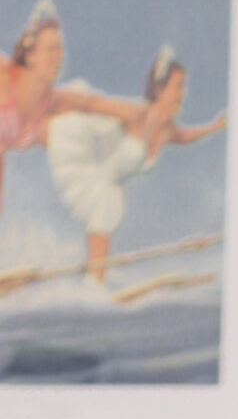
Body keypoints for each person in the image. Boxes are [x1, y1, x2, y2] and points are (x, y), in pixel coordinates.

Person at [45, 45, 226, 282]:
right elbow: (94, 104)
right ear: (159, 89)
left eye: (183, 86)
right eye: (177, 86)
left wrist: (214, 127)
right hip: (93, 176)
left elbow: (184, 137)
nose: (182, 93)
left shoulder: (168, 129)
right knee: (104, 212)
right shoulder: (138, 114)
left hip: (111, 185)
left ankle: (95, 279)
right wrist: (50, 101)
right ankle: (94, 283)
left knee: (108, 212)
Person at [0, 0, 135, 215]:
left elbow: (96, 104)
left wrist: (145, 115)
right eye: (51, 49)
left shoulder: (54, 100)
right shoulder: (5, 75)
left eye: (60, 50)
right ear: (30, 55)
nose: (59, 57)